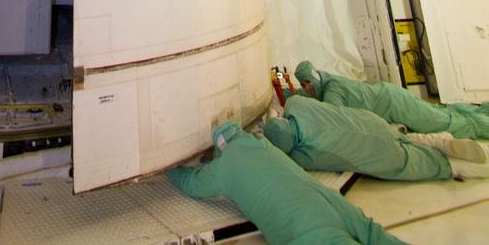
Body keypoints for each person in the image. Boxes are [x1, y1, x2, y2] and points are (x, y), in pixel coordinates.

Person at [168, 119, 407, 245]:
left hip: (304, 230)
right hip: (326, 200)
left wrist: (167, 168)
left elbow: (191, 183)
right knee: (369, 231)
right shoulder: (263, 145)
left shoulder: (224, 167)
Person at [264, 93, 489, 181]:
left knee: (417, 163)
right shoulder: (298, 106)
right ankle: (441, 141)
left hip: (377, 153)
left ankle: (453, 165)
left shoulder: (303, 154)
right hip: (373, 122)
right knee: (405, 137)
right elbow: (293, 101)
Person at [296, 60, 489, 141]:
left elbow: (332, 117)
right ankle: (480, 112)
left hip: (394, 104)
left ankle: (482, 125)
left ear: (312, 79)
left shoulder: (331, 90)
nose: (306, 89)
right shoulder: (327, 80)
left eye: (306, 84)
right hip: (390, 96)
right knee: (441, 113)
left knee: (442, 124)